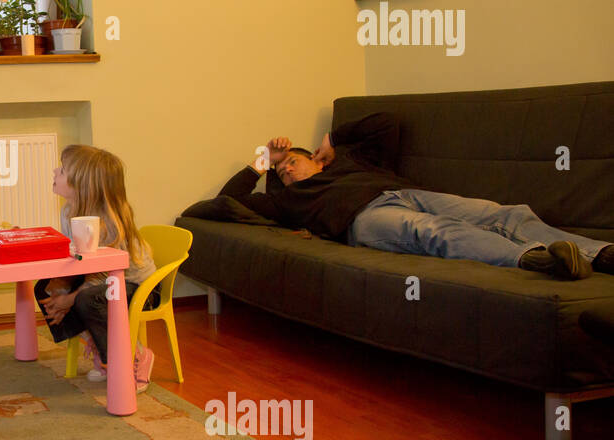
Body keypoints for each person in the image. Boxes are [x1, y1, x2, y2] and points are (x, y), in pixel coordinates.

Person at [220, 113, 614, 279]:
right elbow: (223, 201)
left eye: (290, 161)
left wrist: (335, 137)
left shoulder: (351, 161)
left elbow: (391, 125)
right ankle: (536, 260)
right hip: (363, 220)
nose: (286, 169)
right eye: (281, 170)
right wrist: (263, 159)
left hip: (406, 192)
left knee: (502, 213)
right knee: (431, 231)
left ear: (316, 159)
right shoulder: (285, 203)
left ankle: (599, 253)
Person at [36, 144, 159, 390]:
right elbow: (75, 260)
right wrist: (59, 292)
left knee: (88, 300)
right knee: (42, 288)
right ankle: (96, 340)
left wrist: (70, 299)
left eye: (61, 170)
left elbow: (107, 273)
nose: (54, 171)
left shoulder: (108, 222)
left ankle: (134, 355)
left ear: (81, 184)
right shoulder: (68, 211)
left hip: (136, 286)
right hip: (97, 279)